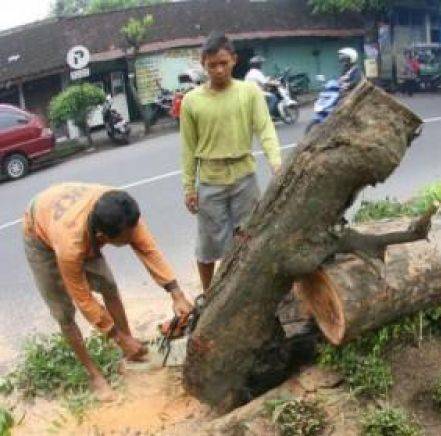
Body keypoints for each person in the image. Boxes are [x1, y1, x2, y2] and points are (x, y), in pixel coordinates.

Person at [23, 183, 194, 401]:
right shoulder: (71, 247)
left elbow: (148, 248)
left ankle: (129, 352)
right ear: (103, 236)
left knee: (109, 287)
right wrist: (117, 337)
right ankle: (95, 376)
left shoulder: (122, 211)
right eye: (127, 237)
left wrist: (176, 293)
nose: (134, 236)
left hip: (70, 216)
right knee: (63, 313)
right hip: (40, 233)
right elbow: (83, 298)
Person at [180, 31, 281, 294]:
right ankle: (208, 295)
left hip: (244, 178)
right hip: (210, 181)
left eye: (224, 63)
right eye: (212, 65)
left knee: (248, 238)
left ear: (234, 60)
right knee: (208, 246)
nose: (219, 70)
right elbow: (188, 148)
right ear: (203, 63)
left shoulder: (249, 93)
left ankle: (247, 291)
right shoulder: (192, 101)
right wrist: (189, 187)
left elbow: (266, 129)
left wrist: (276, 163)